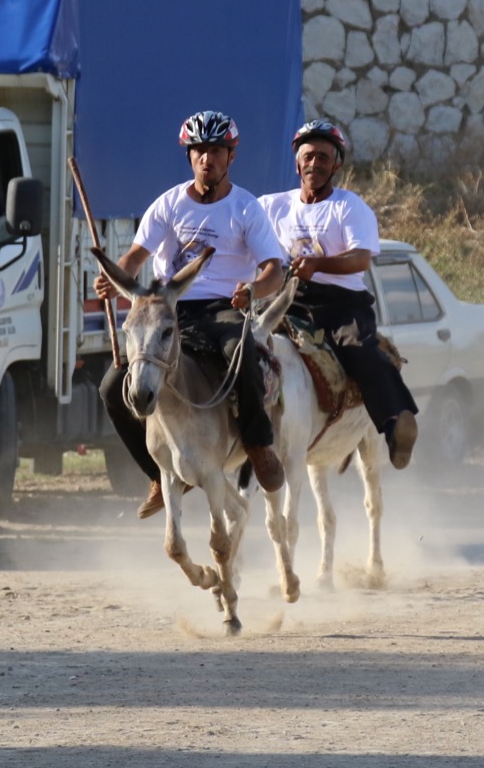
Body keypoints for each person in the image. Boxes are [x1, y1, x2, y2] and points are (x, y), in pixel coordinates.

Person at [95, 110, 290, 517]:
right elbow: (135, 255)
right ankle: (155, 473)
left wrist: (254, 289)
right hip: (169, 311)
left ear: (231, 156)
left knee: (243, 351)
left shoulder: (246, 208)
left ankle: (258, 444)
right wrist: (115, 278)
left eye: (216, 151)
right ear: (189, 156)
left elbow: (276, 267)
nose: (207, 159)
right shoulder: (167, 205)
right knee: (113, 385)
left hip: (225, 309)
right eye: (199, 151)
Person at [258, 119, 420, 469]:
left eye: (323, 157)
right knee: (246, 343)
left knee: (358, 349)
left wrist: (319, 264)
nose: (314, 163)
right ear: (297, 161)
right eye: (309, 156)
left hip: (341, 305)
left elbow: (360, 258)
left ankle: (396, 423)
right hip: (286, 302)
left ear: (337, 164)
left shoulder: (349, 207)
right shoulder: (272, 206)